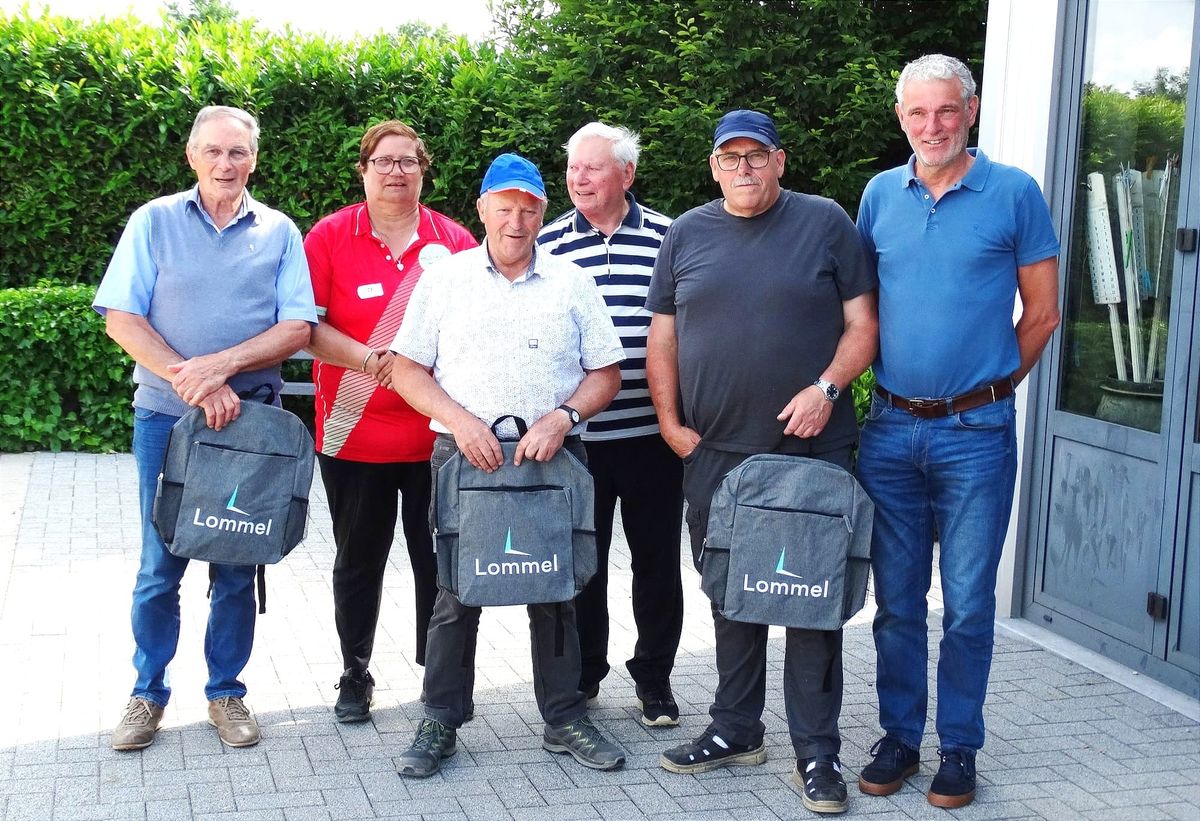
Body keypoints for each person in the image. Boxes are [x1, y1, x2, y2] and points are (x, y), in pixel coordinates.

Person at [646, 110, 877, 815]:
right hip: (716, 453)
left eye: (756, 156)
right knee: (731, 594)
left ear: (779, 160)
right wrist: (670, 424)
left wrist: (827, 389)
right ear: (713, 167)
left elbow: (864, 325)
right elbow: (663, 338)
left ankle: (818, 751)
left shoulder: (826, 221)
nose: (743, 168)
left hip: (811, 452)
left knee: (811, 604)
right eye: (730, 157)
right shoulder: (686, 233)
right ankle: (736, 728)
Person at [854, 54, 1060, 809]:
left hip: (977, 433)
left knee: (969, 604)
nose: (932, 125)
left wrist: (995, 387)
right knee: (897, 602)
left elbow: (1043, 313)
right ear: (901, 117)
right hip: (889, 428)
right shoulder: (880, 194)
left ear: (970, 110)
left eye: (946, 110)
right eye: (918, 112)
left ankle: (960, 746)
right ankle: (900, 737)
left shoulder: (1014, 192)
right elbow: (860, 310)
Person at [386, 153, 628, 777]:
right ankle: (441, 719)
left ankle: (565, 717)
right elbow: (407, 369)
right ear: (483, 210)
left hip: (552, 455)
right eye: (504, 209)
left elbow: (606, 373)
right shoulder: (445, 280)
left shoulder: (572, 282)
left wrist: (563, 417)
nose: (515, 221)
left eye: (527, 210)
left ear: (542, 214)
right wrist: (462, 422)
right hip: (464, 455)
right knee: (456, 589)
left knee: (555, 587)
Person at [95, 105, 316, 751]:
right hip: (166, 419)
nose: (226, 163)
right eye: (213, 151)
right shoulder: (154, 221)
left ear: (254, 159)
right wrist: (195, 380)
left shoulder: (279, 231)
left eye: (238, 152)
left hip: (249, 426)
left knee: (236, 561)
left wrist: (223, 366)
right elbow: (121, 318)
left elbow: (296, 327)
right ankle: (147, 693)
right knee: (160, 562)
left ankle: (226, 692)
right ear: (192, 156)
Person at [303, 120, 477, 723]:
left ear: (423, 170)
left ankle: (438, 674)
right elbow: (307, 327)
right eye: (383, 161)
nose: (395, 171)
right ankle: (355, 672)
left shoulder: (454, 241)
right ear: (364, 170)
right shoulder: (329, 236)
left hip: (435, 436)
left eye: (407, 161)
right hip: (352, 433)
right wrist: (371, 360)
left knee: (437, 561)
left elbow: (471, 331)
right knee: (358, 561)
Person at [537, 122, 684, 726]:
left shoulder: (670, 237)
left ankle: (655, 678)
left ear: (627, 173)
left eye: (592, 167)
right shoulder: (547, 244)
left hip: (652, 436)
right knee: (582, 561)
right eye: (573, 168)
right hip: (578, 441)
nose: (579, 178)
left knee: (657, 563)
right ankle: (585, 675)